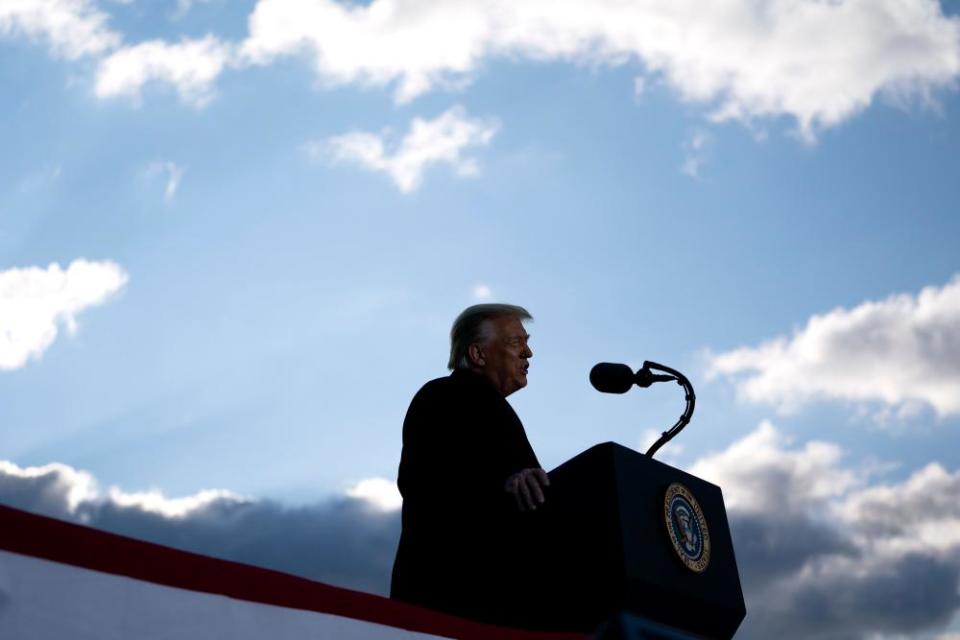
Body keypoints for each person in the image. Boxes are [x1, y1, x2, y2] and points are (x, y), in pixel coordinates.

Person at [390, 304, 550, 625]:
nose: (528, 353)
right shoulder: (444, 396)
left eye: (526, 341)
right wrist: (501, 487)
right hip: (451, 601)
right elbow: (427, 485)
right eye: (516, 342)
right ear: (478, 354)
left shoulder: (491, 406)